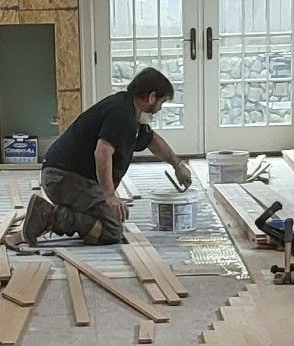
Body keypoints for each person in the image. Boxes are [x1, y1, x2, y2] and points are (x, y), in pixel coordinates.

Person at [24, 68, 193, 246]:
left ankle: (69, 213)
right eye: (162, 102)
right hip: (63, 178)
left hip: (68, 177)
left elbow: (152, 141)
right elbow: (102, 151)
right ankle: (49, 216)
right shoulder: (122, 115)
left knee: (108, 221)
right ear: (151, 97)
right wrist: (109, 195)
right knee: (112, 231)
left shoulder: (131, 112)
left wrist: (177, 164)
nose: (159, 109)